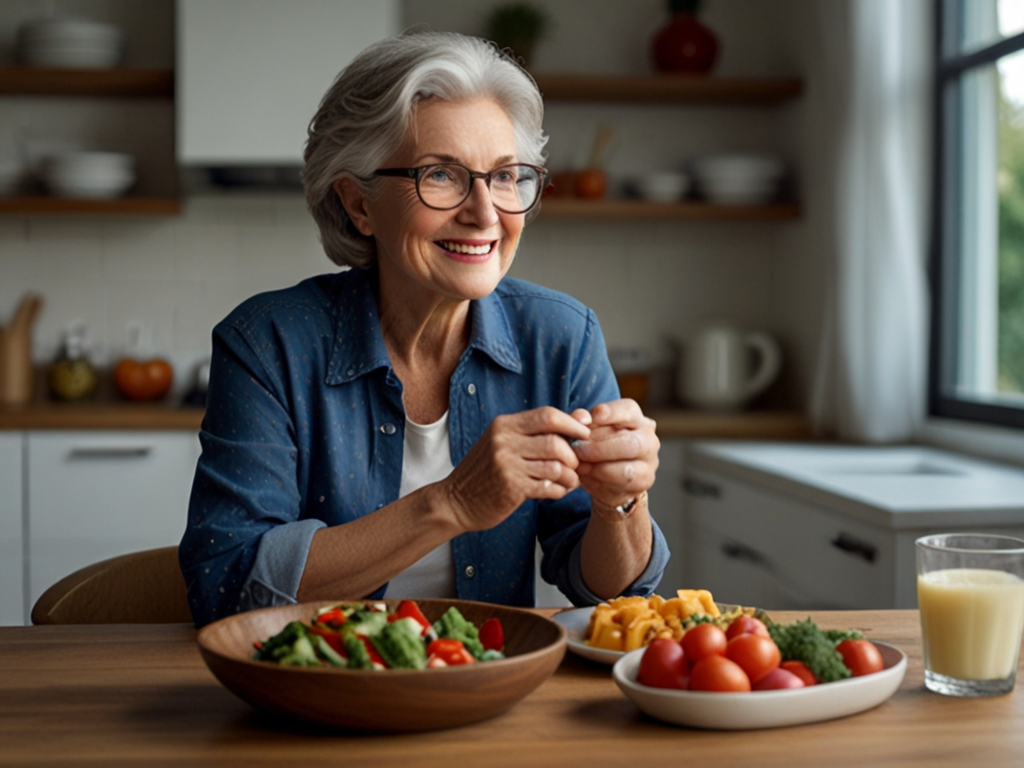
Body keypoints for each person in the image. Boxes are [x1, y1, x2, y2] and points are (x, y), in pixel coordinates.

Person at [179, 30, 668, 627]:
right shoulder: (268, 344)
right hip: (313, 694)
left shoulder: (561, 336)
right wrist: (453, 502)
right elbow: (229, 585)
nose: (486, 213)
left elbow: (607, 597)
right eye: (440, 175)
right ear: (358, 204)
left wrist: (620, 502)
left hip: (485, 687)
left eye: (507, 176)